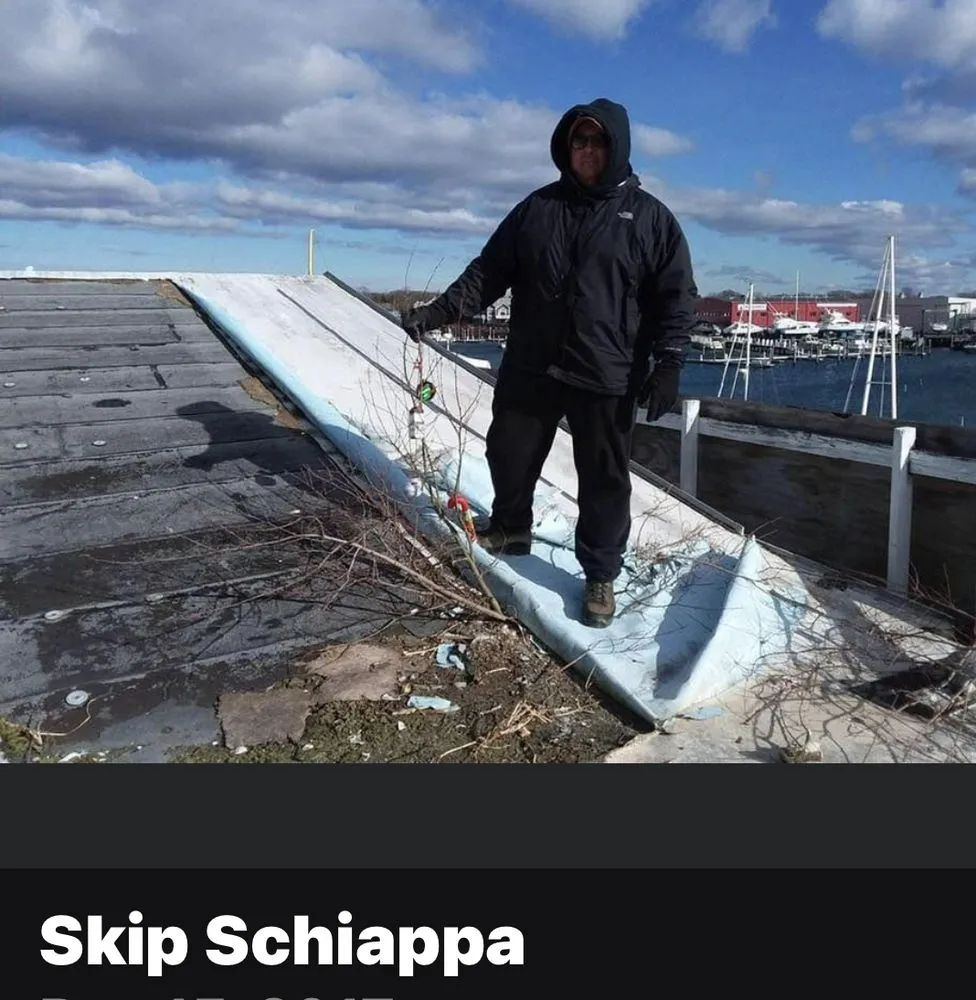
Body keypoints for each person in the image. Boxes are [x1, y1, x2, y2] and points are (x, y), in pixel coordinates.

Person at [401, 97, 697, 628]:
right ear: (565, 146)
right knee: (509, 453)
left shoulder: (651, 220)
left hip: (606, 371)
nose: (585, 151)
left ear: (618, 147)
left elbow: (675, 298)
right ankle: (512, 526)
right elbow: (486, 273)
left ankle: (600, 574)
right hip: (532, 363)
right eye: (577, 141)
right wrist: (438, 313)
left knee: (603, 479)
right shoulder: (537, 209)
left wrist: (669, 361)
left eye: (597, 141)